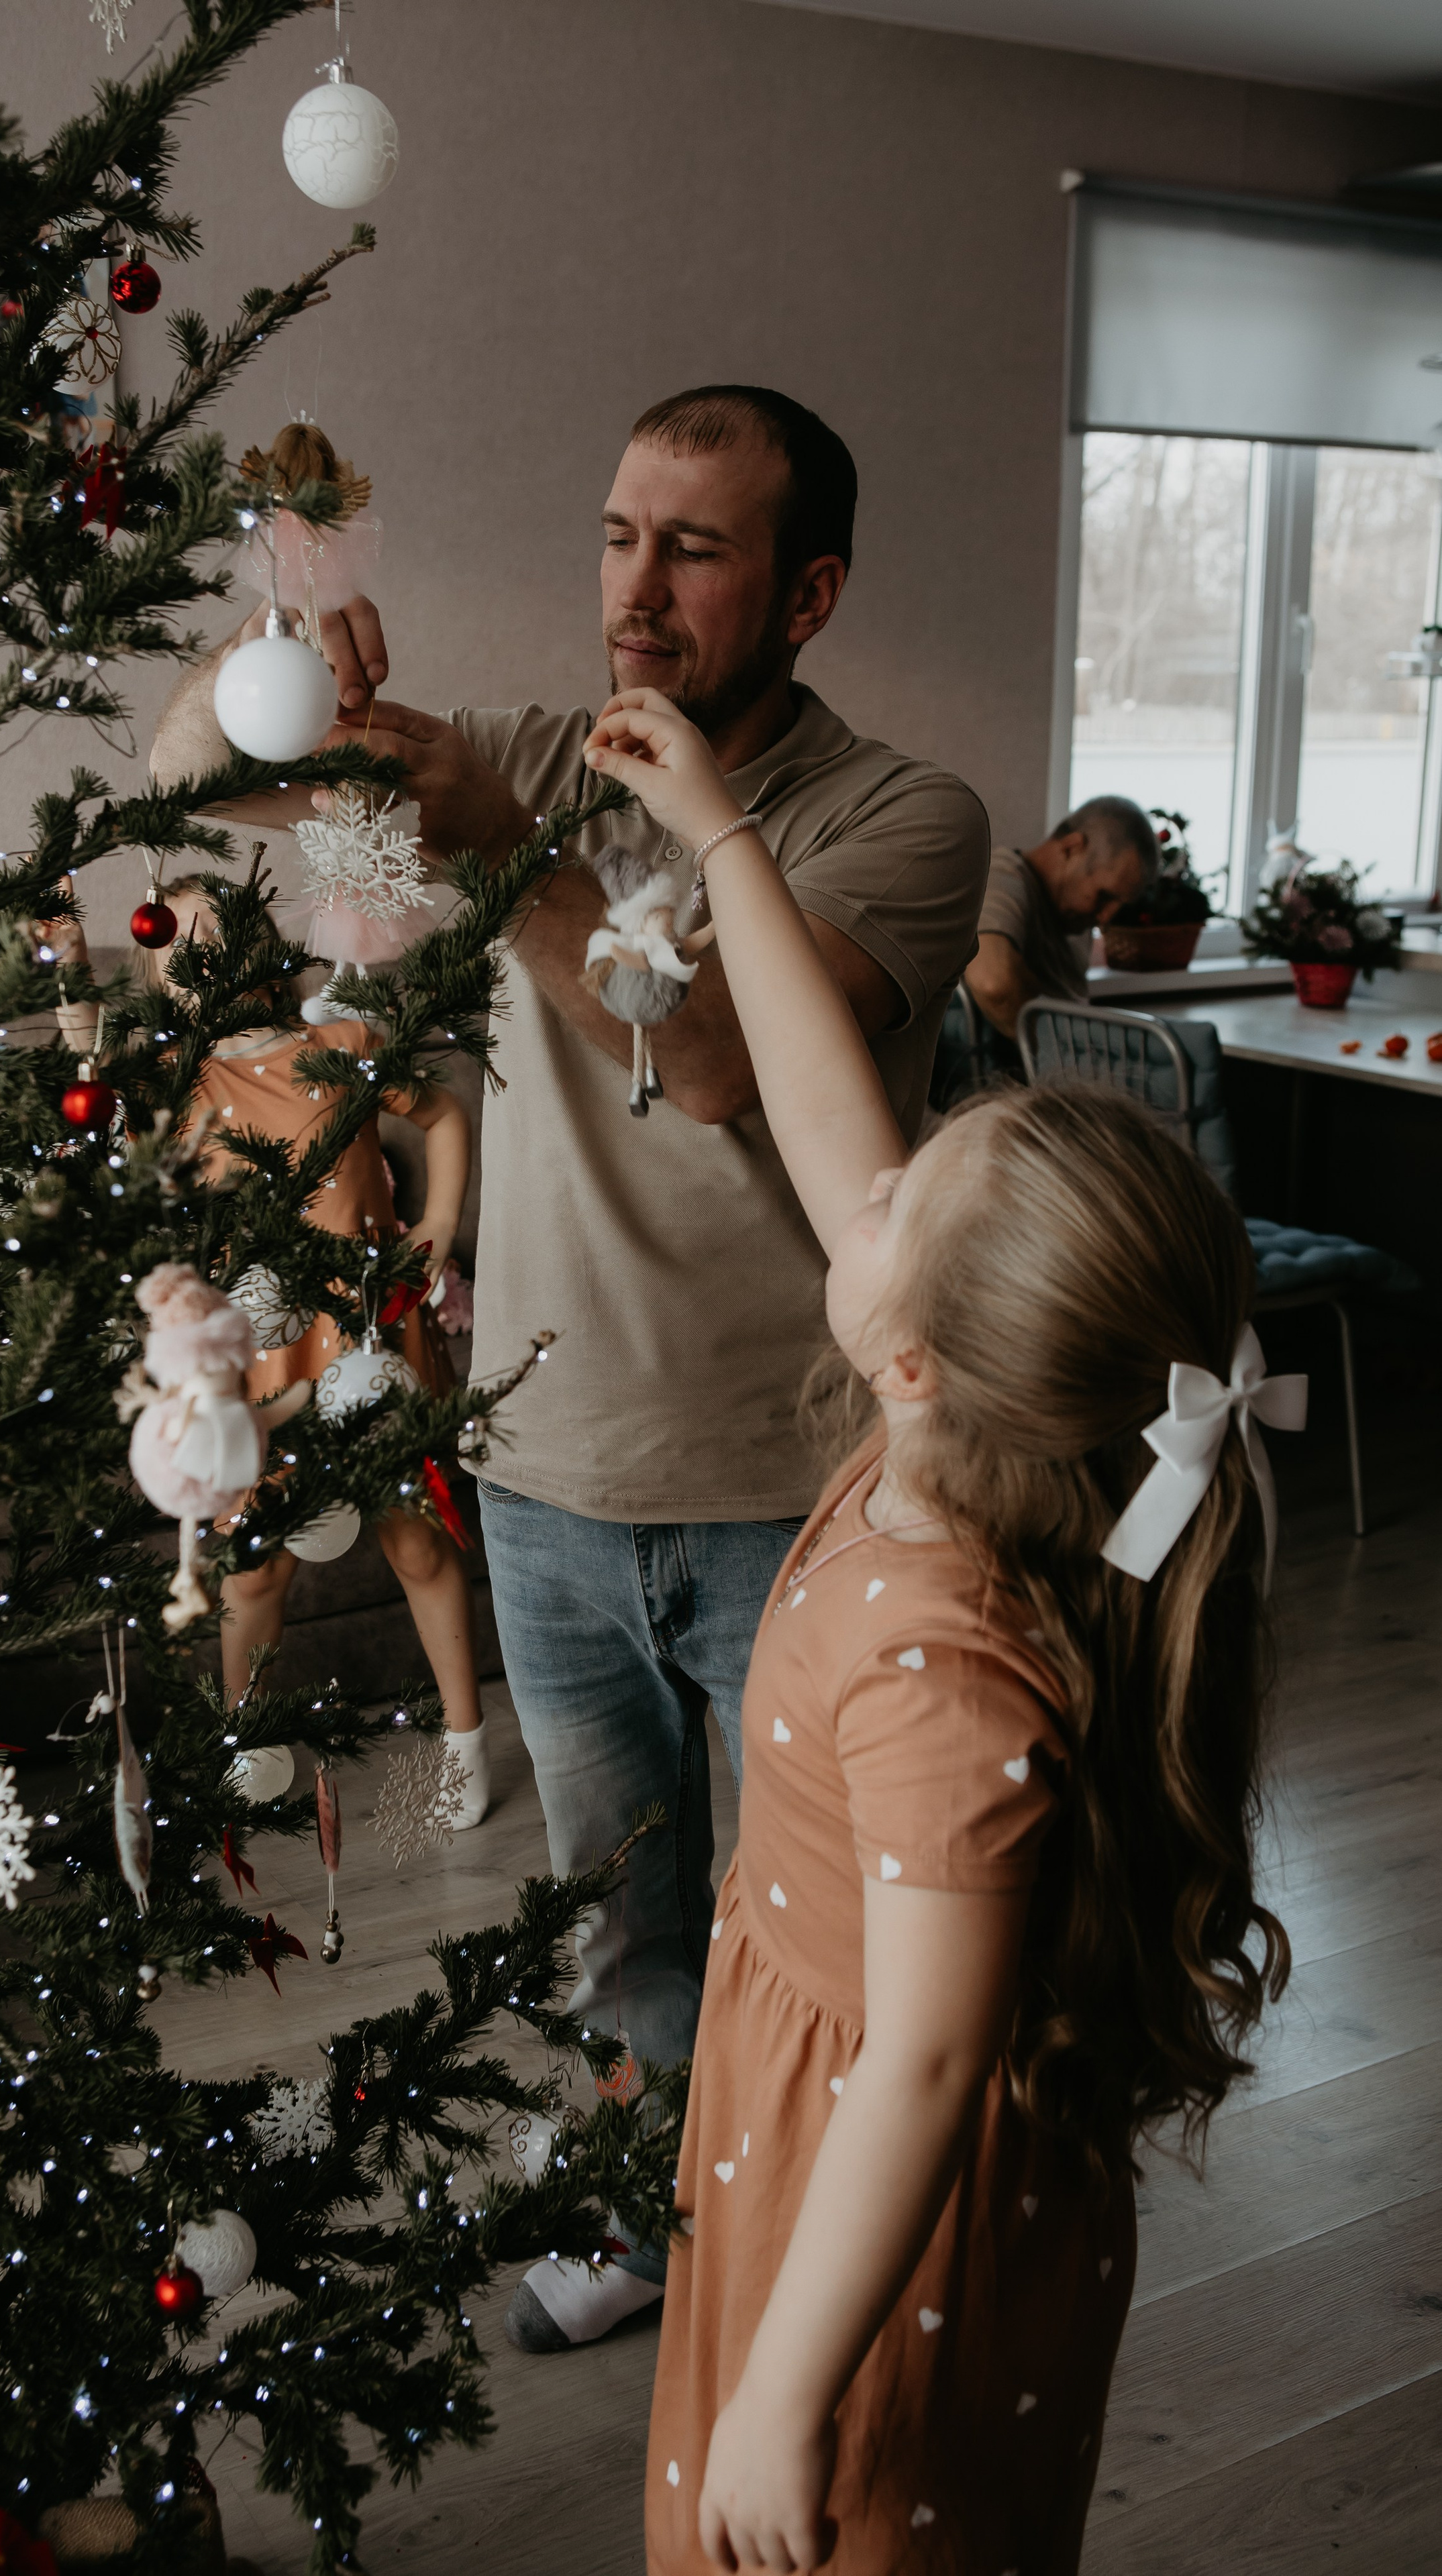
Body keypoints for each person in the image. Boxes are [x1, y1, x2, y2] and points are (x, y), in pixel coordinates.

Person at [150, 386, 990, 2345]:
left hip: (800, 1475)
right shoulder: (542, 753)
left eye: (693, 547)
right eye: (619, 532)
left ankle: (832, 2258)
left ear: (810, 592)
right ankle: (639, 2214)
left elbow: (708, 1065)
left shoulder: (895, 819)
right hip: (545, 1475)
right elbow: (194, 788)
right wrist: (264, 667)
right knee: (620, 1906)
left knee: (834, 1914)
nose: (636, 584)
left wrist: (512, 845)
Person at [578, 685, 1297, 2575]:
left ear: (904, 1354)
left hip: (888, 2208)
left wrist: (788, 2388)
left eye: (898, 1201)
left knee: (872, 2529)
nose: (867, 1180)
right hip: (821, 2121)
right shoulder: (957, 1437)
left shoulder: (936, 1651)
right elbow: (828, 1107)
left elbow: (920, 2065)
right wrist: (725, 831)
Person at [51, 877, 491, 1824]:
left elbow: (446, 1113)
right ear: (159, 971)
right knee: (254, 1571)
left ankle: (467, 1742)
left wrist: (442, 1224)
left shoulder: (342, 1047)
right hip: (253, 1363)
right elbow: (82, 1105)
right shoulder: (171, 1086)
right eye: (180, 937)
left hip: (369, 1338)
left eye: (223, 928)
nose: (204, 950)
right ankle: (246, 1746)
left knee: (417, 1545)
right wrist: (71, 975)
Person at [964, 793, 1157, 1038]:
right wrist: (1067, 1059)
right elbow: (992, 981)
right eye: (1104, 896)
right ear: (1072, 847)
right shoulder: (1003, 880)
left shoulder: (1075, 916)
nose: (1105, 918)